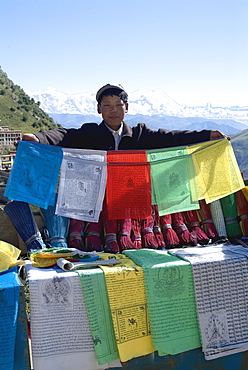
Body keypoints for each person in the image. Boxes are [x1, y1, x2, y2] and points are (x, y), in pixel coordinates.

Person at [18, 83, 228, 149]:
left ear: (126, 108)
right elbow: (64, 135)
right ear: (99, 109)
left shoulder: (139, 134)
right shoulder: (89, 133)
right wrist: (38, 138)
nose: (113, 110)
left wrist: (206, 135)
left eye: (118, 105)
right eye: (107, 105)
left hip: (130, 196)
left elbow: (171, 137)